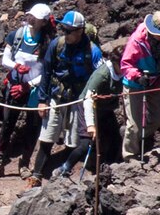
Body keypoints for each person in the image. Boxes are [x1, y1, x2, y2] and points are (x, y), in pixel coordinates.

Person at [30, 10, 103, 188]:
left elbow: (99, 76)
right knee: (47, 137)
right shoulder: (58, 44)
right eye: (63, 29)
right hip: (56, 96)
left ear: (80, 31)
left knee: (73, 141)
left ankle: (63, 176)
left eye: (69, 30)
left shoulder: (93, 52)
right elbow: (46, 73)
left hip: (78, 101)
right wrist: (42, 99)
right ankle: (36, 176)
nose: (65, 33)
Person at [0, 3, 54, 179]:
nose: (30, 18)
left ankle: (24, 164)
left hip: (34, 90)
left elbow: (48, 71)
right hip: (15, 86)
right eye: (30, 15)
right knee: (7, 124)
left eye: (35, 17)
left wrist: (29, 85)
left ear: (44, 22)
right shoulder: (16, 36)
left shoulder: (48, 43)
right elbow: (5, 60)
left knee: (32, 127)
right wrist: (16, 66)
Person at [54, 40, 125, 177]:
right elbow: (87, 99)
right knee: (86, 143)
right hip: (88, 107)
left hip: (105, 109)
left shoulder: (123, 72)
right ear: (116, 63)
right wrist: (91, 125)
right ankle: (64, 168)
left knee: (115, 138)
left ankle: (107, 170)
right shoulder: (102, 75)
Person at [120, 11, 160, 160]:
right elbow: (126, 65)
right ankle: (129, 156)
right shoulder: (137, 40)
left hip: (155, 83)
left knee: (156, 119)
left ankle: (140, 137)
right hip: (135, 84)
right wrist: (138, 77)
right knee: (134, 125)